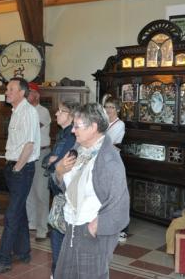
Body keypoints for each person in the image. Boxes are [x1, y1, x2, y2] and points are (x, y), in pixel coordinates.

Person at [54, 103, 129, 278]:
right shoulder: (81, 150)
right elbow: (67, 187)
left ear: (93, 127)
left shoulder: (109, 158)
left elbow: (120, 202)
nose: (73, 130)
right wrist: (59, 172)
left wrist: (95, 227)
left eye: (77, 126)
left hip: (91, 232)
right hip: (72, 227)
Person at [0, 77, 40, 276]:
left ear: (22, 92)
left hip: (21, 169)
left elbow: (29, 144)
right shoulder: (16, 111)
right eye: (7, 89)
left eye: (10, 89)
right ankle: (23, 252)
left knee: (11, 216)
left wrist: (17, 168)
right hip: (14, 168)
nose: (6, 92)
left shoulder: (29, 112)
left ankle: (3, 259)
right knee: (19, 211)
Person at [43, 100, 79, 276]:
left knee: (60, 238)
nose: (56, 114)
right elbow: (48, 159)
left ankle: (58, 274)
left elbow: (60, 163)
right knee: (58, 235)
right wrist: (52, 162)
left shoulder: (71, 137)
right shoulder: (62, 134)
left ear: (71, 116)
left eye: (61, 111)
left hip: (65, 194)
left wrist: (53, 163)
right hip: (58, 193)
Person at [26, 82, 51, 242]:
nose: (27, 95)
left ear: (36, 95)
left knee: (41, 192)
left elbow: (31, 128)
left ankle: (43, 228)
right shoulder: (25, 110)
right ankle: (32, 223)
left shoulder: (43, 111)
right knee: (29, 192)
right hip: (28, 154)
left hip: (41, 154)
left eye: (29, 93)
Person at [103, 96, 127, 243]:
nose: (109, 110)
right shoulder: (104, 123)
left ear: (117, 109)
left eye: (112, 107)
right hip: (103, 162)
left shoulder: (120, 125)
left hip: (113, 163)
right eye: (107, 107)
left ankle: (121, 229)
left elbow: (109, 143)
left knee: (116, 196)